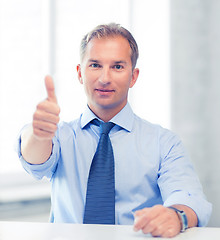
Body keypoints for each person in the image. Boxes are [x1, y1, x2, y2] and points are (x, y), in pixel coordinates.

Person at [17, 23, 212, 238]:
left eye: (117, 66)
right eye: (95, 65)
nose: (104, 78)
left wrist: (176, 217)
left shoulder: (163, 142)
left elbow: (188, 196)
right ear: (80, 73)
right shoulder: (60, 136)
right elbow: (34, 160)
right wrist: (37, 134)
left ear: (133, 76)